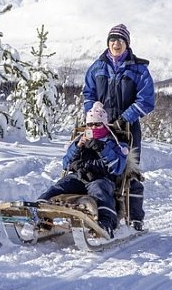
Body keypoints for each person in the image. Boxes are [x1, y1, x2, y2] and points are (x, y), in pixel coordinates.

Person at [83, 24, 155, 231]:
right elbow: (88, 94)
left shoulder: (138, 69)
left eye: (120, 41)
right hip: (99, 125)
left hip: (127, 128)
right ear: (108, 43)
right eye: (112, 40)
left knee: (129, 170)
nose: (116, 44)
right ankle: (98, 207)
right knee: (96, 164)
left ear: (127, 44)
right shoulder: (97, 67)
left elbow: (146, 99)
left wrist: (126, 117)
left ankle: (135, 217)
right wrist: (93, 112)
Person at [37, 102, 129, 238]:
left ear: (104, 125)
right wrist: (77, 147)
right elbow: (65, 163)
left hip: (101, 178)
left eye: (97, 124)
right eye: (90, 124)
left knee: (101, 193)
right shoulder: (80, 140)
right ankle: (40, 212)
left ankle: (105, 224)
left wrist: (102, 149)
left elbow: (118, 167)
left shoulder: (114, 143)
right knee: (60, 185)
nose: (93, 127)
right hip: (79, 177)